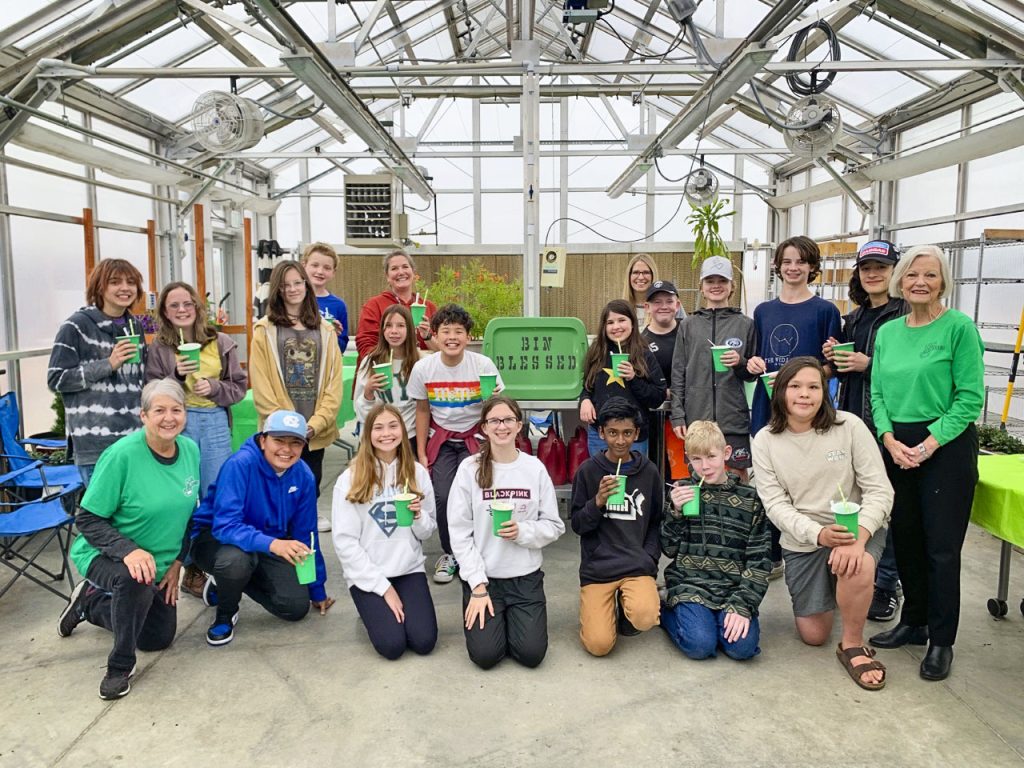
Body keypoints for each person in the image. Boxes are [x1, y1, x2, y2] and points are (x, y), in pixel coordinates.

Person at [867, 245, 984, 682]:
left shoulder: (958, 328)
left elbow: (970, 397)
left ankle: (941, 639)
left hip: (946, 447)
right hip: (899, 445)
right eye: (913, 274)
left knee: (941, 547)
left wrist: (930, 443)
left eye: (930, 275)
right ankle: (913, 622)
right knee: (907, 537)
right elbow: (877, 393)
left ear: (943, 282)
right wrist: (889, 438)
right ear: (900, 280)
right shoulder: (890, 333)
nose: (920, 282)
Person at [752, 357, 893, 691]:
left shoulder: (849, 427)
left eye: (814, 386)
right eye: (795, 386)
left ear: (824, 391)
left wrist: (858, 538)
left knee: (856, 564)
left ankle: (853, 643)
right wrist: (817, 534)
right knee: (814, 635)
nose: (805, 395)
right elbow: (775, 505)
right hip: (804, 539)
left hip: (854, 528)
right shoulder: (765, 441)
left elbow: (880, 490)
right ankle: (844, 592)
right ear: (780, 392)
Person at [57, 379, 200, 700]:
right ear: (143, 416)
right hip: (104, 553)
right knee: (134, 579)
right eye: (159, 410)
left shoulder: (190, 450)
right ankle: (120, 666)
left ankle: (90, 603)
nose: (168, 418)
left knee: (157, 638)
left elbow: (189, 514)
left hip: (160, 561)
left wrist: (179, 561)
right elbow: (88, 519)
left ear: (185, 414)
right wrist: (129, 551)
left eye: (176, 410)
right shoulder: (121, 456)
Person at [190, 410, 334, 647]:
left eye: (295, 442)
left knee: (295, 607)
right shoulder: (240, 465)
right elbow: (226, 526)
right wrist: (274, 544)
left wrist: (317, 588)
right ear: (263, 439)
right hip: (215, 540)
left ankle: (224, 582)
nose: (286, 449)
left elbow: (306, 534)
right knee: (235, 561)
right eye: (279, 440)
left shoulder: (303, 475)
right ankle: (225, 613)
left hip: (265, 542)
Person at [821, 240, 909, 623]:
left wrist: (867, 363)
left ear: (895, 272)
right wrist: (835, 356)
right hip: (854, 421)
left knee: (886, 504)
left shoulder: (906, 315)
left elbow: (910, 375)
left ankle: (887, 583)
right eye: (866, 268)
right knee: (854, 500)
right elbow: (846, 370)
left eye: (882, 267)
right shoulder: (855, 318)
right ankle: (859, 571)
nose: (873, 274)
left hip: (890, 426)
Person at [745, 236, 842, 573]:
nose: (793, 268)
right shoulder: (763, 311)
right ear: (778, 267)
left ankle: (807, 548)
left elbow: (834, 364)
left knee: (807, 479)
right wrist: (754, 364)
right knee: (767, 479)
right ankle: (770, 553)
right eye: (787, 262)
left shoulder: (826, 311)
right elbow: (753, 357)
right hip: (767, 406)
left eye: (801, 261)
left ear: (812, 267)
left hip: (807, 412)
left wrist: (809, 378)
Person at [146, 281, 247, 598]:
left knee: (216, 495)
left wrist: (214, 389)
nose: (181, 310)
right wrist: (175, 375)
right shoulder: (160, 348)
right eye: (173, 305)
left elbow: (239, 388)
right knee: (183, 497)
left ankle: (219, 563)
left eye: (186, 304)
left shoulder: (221, 342)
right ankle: (187, 567)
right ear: (164, 311)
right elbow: (151, 393)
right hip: (178, 426)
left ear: (196, 307)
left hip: (215, 422)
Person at [448, 397, 565, 669]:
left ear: (519, 425)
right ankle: (494, 619)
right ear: (484, 428)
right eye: (494, 421)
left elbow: (554, 525)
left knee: (531, 654)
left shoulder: (534, 468)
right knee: (486, 656)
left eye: (508, 420)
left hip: (525, 578)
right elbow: (459, 533)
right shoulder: (469, 469)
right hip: (485, 580)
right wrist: (476, 585)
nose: (502, 426)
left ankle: (514, 622)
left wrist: (522, 531)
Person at [332, 404, 438, 660]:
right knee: (392, 646)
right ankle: (370, 608)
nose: (386, 433)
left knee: (423, 642)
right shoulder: (350, 478)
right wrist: (383, 588)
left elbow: (427, 531)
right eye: (378, 428)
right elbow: (345, 543)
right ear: (367, 434)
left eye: (393, 426)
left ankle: (388, 609)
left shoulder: (418, 473)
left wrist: (417, 516)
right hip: (368, 572)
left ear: (403, 429)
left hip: (407, 569)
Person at [408, 304, 503, 585]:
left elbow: (495, 411)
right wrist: (423, 453)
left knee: (483, 494)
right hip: (443, 439)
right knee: (442, 495)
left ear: (468, 336)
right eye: (445, 331)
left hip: (477, 437)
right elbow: (422, 410)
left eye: (458, 331)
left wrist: (493, 398)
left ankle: (479, 551)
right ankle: (451, 554)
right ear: (434, 335)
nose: (452, 337)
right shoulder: (424, 367)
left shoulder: (482, 365)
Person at [661, 420, 769, 661]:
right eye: (696, 459)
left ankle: (712, 622)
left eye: (711, 456)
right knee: (700, 646)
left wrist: (743, 604)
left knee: (742, 649)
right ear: (687, 458)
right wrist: (674, 512)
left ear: (726, 453)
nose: (705, 466)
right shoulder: (684, 492)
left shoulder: (750, 500)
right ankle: (665, 610)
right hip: (690, 585)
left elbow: (759, 561)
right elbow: (668, 548)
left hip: (733, 589)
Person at [249, 259, 342, 533]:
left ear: (306, 285)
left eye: (297, 283)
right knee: (276, 497)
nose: (292, 289)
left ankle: (305, 555)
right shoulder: (263, 331)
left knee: (307, 493)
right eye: (286, 285)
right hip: (279, 433)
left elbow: (333, 386)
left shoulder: (325, 331)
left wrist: (314, 424)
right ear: (277, 290)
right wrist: (287, 428)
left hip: (314, 434)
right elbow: (262, 384)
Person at [570, 397, 663, 657]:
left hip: (636, 564)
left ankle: (629, 604)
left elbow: (656, 521)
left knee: (645, 617)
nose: (620, 441)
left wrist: (649, 557)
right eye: (612, 433)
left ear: (636, 433)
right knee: (598, 646)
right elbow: (578, 524)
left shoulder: (649, 472)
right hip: (599, 567)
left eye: (627, 433)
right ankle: (603, 606)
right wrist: (597, 501)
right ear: (601, 433)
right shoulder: (588, 472)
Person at [47, 258, 147, 484]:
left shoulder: (135, 326)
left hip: (135, 439)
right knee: (102, 515)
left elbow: (140, 378)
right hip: (96, 443)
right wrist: (107, 364)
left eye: (131, 282)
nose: (125, 288)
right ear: (100, 287)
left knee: (134, 513)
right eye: (115, 282)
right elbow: (57, 379)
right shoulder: (76, 326)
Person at [670, 256, 756, 482]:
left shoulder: (745, 324)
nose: (716, 285)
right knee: (699, 476)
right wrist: (678, 416)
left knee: (736, 477)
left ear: (732, 287)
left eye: (722, 280)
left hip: (733, 419)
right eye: (710, 281)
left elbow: (752, 372)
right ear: (701, 287)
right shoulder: (688, 325)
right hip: (697, 418)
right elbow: (678, 373)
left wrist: (740, 362)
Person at [580, 299, 666, 458]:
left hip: (634, 435)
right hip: (600, 434)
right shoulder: (596, 353)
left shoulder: (644, 355)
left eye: (622, 320)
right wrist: (584, 400)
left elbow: (657, 397)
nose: (616, 326)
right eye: (610, 322)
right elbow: (587, 386)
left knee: (634, 479)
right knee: (602, 480)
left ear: (632, 323)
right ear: (604, 327)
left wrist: (633, 378)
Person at [353, 305, 424, 448]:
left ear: (409, 329)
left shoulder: (420, 362)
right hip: (379, 436)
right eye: (388, 326)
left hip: (410, 435)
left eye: (401, 326)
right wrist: (368, 392)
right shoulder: (371, 361)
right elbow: (360, 411)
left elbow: (424, 408)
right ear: (382, 330)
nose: (394, 331)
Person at [355, 248, 439, 365]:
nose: (401, 272)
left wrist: (427, 336)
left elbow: (442, 351)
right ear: (387, 276)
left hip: (422, 374)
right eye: (394, 268)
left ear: (413, 272)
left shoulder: (428, 307)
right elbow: (366, 347)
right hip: (387, 374)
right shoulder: (374, 306)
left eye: (405, 267)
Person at [301, 241, 349, 353]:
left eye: (327, 268)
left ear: (333, 272)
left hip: (327, 367)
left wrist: (333, 334)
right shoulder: (293, 300)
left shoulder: (339, 305)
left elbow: (342, 347)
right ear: (304, 266)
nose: (320, 271)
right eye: (315, 265)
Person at [623, 253, 658, 325]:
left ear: (653, 275)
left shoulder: (668, 306)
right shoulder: (620, 309)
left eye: (646, 272)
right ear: (629, 276)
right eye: (636, 272)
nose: (641, 277)